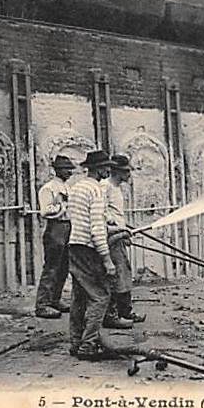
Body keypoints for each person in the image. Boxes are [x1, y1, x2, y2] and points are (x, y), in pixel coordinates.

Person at [66, 150, 117, 360]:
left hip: (74, 245)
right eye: (106, 167)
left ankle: (75, 342)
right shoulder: (96, 190)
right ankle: (88, 345)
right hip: (89, 249)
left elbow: (79, 218)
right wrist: (107, 259)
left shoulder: (77, 187)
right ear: (98, 169)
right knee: (100, 297)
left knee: (79, 297)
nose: (109, 170)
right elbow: (96, 228)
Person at [102, 154, 145, 327]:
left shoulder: (117, 188)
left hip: (118, 235)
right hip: (110, 237)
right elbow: (102, 212)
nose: (129, 175)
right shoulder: (105, 187)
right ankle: (112, 315)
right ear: (117, 171)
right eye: (126, 171)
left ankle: (125, 311)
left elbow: (116, 213)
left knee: (124, 271)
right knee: (115, 274)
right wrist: (115, 226)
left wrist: (125, 228)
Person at [34, 155, 76, 319]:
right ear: (57, 170)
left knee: (64, 266)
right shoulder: (48, 188)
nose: (70, 172)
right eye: (67, 169)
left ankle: (55, 300)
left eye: (71, 169)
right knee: (52, 267)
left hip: (68, 227)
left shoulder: (67, 187)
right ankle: (42, 305)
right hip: (56, 229)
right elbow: (45, 211)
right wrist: (62, 205)